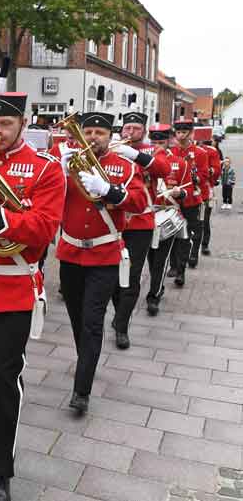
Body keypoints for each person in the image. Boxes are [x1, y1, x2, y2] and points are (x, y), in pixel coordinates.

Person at [0, 88, 65, 501]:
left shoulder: (45, 169)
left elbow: (41, 229)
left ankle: (2, 469)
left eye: (5, 123)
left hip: (16, 284)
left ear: (23, 122)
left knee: (5, 377)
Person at [56, 95, 146, 416]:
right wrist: (58, 168)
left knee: (93, 322)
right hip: (70, 253)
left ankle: (82, 389)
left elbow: (139, 203)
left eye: (99, 134)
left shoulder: (124, 166)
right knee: (77, 319)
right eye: (88, 132)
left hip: (105, 254)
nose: (93, 138)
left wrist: (109, 190)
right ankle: (87, 360)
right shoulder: (64, 162)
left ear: (110, 137)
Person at [108, 110, 170, 349]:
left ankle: (122, 325)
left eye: (135, 128)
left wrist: (135, 155)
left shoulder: (152, 150)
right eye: (126, 128)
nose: (130, 132)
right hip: (113, 221)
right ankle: (119, 313)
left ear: (143, 131)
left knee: (131, 276)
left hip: (140, 222)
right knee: (112, 275)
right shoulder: (112, 147)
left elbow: (163, 170)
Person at [145, 124, 190, 316]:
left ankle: (154, 295)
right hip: (146, 215)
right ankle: (157, 286)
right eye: (154, 142)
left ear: (169, 141)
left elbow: (188, 189)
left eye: (161, 142)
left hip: (167, 213)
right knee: (150, 258)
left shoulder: (180, 163)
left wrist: (181, 193)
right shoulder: (142, 160)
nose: (157, 146)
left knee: (160, 260)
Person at [169, 117, 209, 283]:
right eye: (178, 132)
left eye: (184, 132)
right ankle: (172, 264)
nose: (181, 136)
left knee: (185, 234)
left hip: (190, 200)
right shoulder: (172, 152)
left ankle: (181, 269)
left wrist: (193, 178)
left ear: (191, 133)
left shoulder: (200, 153)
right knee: (171, 234)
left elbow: (204, 175)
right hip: (172, 200)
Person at [199, 136, 221, 255]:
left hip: (206, 187)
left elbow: (216, 170)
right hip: (191, 188)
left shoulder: (212, 151)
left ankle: (204, 244)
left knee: (205, 219)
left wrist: (206, 171)